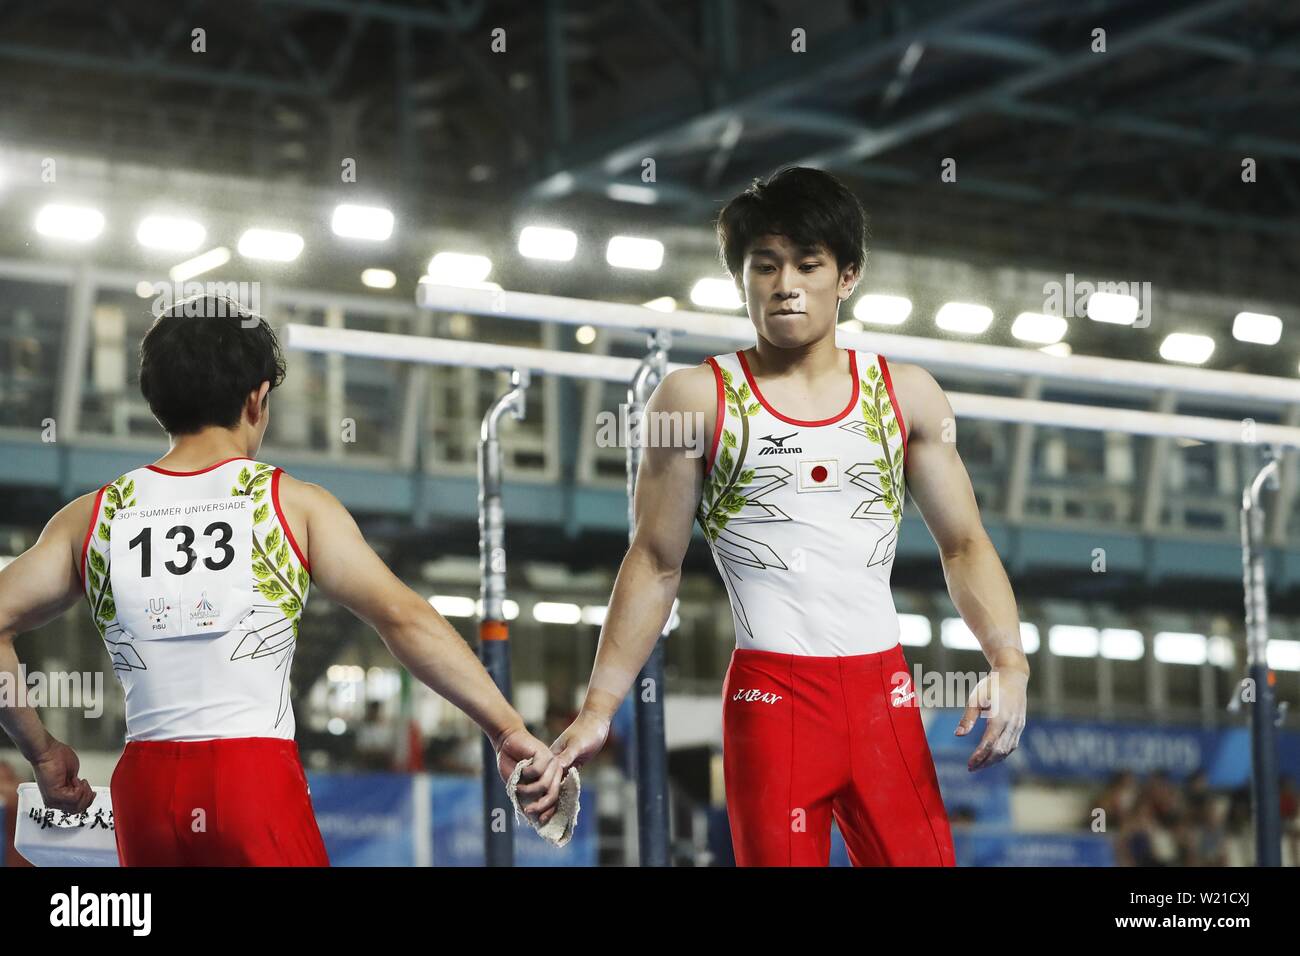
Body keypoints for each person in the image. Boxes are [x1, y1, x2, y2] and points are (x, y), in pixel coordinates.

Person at [541, 166, 1030, 865]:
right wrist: (597, 709)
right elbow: (655, 560)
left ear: (848, 276)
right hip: (774, 705)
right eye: (764, 266)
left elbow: (965, 543)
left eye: (808, 264)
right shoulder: (696, 399)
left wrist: (1009, 661)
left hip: (884, 699)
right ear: (742, 280)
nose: (785, 284)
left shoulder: (908, 395)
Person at [0, 295, 562, 866]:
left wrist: (41, 751)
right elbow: (402, 618)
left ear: (155, 401)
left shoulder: (92, 518)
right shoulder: (292, 506)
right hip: (252, 782)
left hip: (144, 790)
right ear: (257, 399)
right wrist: (505, 727)